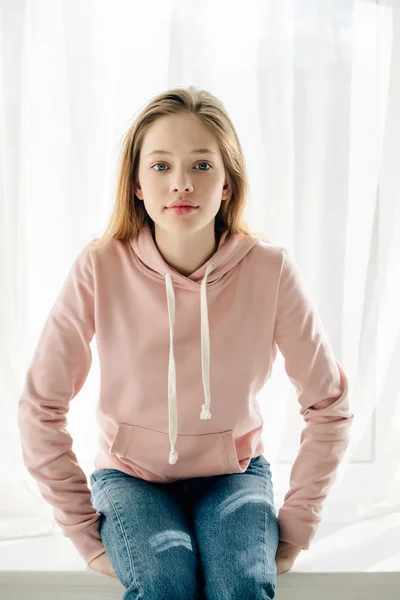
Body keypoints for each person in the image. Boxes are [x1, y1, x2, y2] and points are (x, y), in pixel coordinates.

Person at [17, 86, 354, 599]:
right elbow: (41, 405)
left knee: (242, 584)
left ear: (226, 184)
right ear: (135, 183)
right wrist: (85, 534)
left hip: (233, 474)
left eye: (201, 165)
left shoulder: (270, 269)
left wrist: (298, 524)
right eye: (160, 166)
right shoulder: (100, 266)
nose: (180, 184)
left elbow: (328, 404)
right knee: (163, 580)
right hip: (130, 478)